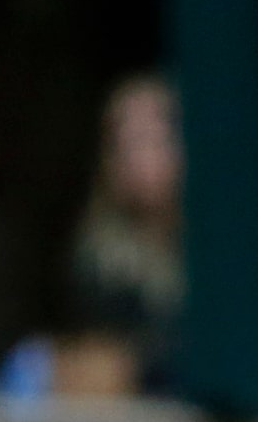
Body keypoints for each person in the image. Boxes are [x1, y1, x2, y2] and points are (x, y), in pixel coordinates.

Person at [53, 73, 182, 397]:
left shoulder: (230, 251)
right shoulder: (97, 262)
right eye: (124, 142)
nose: (138, 156)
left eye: (155, 137)